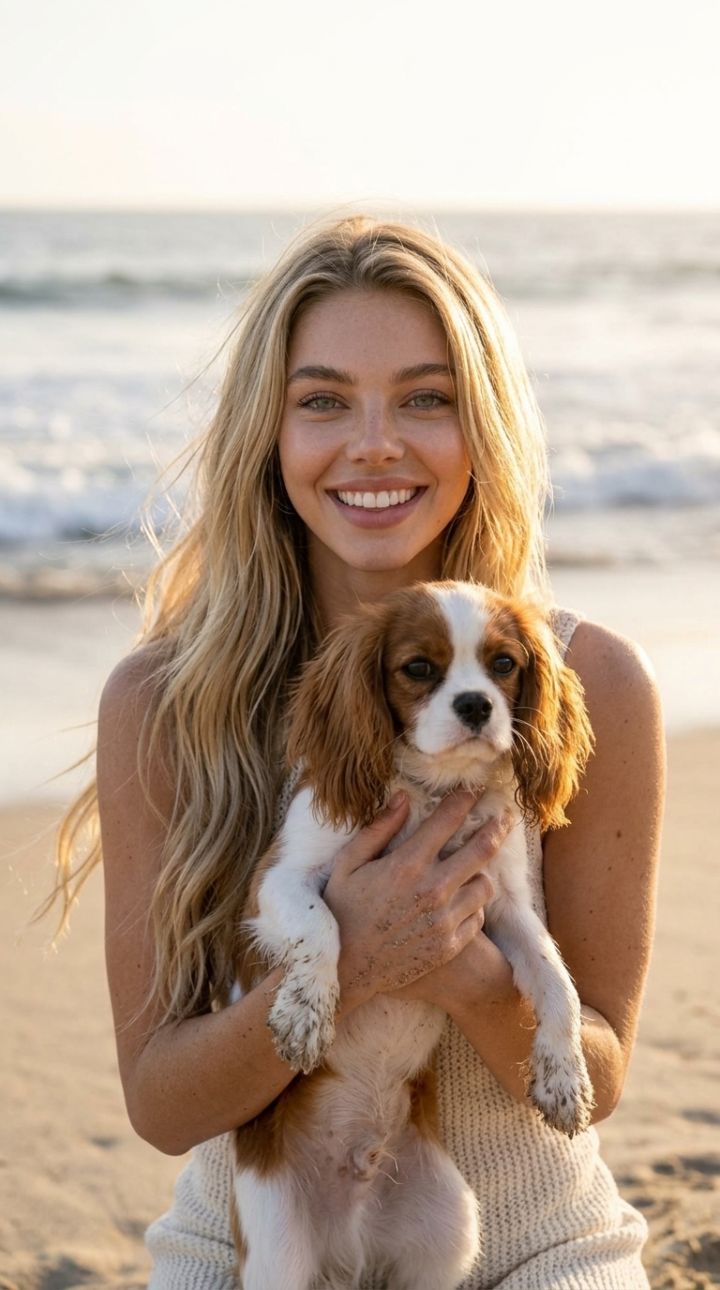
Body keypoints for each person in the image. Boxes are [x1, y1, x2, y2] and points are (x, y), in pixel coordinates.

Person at [54, 216, 664, 1289]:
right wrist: (354, 954)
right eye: (323, 400)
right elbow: (160, 1104)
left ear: (483, 429)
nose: (375, 443)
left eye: (426, 399)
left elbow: (597, 1074)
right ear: (268, 435)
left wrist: (455, 961)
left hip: (537, 1243)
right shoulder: (162, 700)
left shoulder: (582, 680)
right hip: (257, 1238)